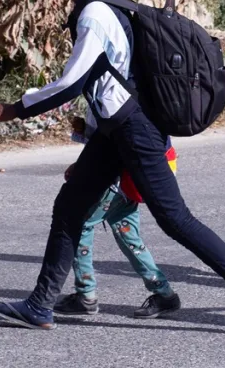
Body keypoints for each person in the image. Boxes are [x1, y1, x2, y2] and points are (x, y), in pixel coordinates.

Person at [0, 0, 225, 335]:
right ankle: (40, 305)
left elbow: (73, 83)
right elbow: (113, 79)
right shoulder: (105, 1)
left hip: (134, 130)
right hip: (116, 128)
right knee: (69, 208)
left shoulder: (94, 14)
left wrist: (15, 109)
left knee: (175, 219)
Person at [54, 116, 181, 319]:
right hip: (131, 182)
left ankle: (85, 294)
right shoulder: (140, 94)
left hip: (114, 180)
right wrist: (86, 130)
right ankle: (163, 293)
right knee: (131, 239)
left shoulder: (110, 91)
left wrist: (81, 166)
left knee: (79, 225)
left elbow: (110, 141)